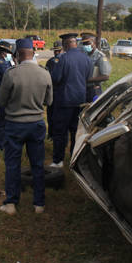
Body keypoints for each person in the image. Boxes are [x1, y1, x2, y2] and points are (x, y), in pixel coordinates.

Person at [0, 38, 53, 215]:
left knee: (13, 164)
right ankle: (39, 204)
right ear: (33, 53)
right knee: (37, 164)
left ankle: (11, 204)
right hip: (36, 124)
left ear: (18, 54)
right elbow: (49, 101)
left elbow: (1, 100)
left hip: (14, 125)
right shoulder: (44, 73)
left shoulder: (11, 73)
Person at [49, 32, 92, 168]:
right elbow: (88, 77)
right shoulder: (86, 58)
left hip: (64, 100)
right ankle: (74, 159)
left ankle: (58, 161)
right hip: (80, 100)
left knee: (60, 132)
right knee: (76, 132)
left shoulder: (63, 59)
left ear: (65, 45)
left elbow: (55, 79)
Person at [80, 32, 111, 102]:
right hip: (83, 88)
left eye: (88, 43)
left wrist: (88, 79)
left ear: (94, 42)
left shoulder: (100, 56)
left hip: (94, 89)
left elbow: (106, 76)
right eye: (84, 44)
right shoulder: (83, 55)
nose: (85, 46)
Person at [44, 40, 62, 139]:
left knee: (54, 115)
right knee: (53, 115)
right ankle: (52, 134)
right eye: (55, 51)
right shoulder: (51, 61)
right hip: (55, 91)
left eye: (58, 51)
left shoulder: (54, 61)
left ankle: (53, 134)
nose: (56, 53)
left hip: (56, 91)